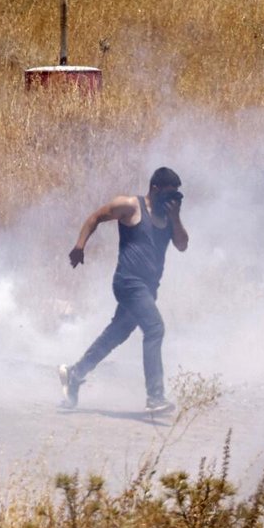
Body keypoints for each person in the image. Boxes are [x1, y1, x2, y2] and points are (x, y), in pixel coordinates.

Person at [58, 167, 189, 415]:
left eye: (176, 196)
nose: (171, 200)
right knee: (155, 328)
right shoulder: (131, 206)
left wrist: (176, 217)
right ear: (155, 189)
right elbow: (95, 218)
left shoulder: (168, 217)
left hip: (148, 289)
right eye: (168, 194)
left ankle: (75, 373)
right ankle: (155, 397)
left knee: (116, 334)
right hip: (128, 282)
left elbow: (182, 245)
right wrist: (79, 246)